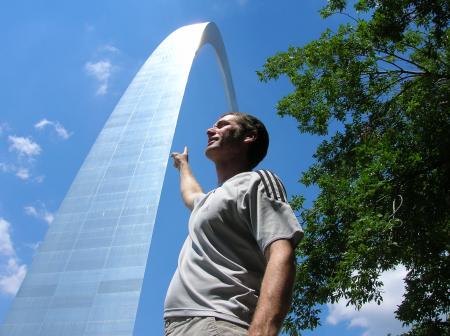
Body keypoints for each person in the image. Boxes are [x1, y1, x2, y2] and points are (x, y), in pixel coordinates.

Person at [164, 112, 303, 336]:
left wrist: (262, 331)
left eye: (222, 125)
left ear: (249, 136)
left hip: (217, 322)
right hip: (181, 326)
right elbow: (191, 194)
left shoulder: (256, 181)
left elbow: (282, 254)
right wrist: (183, 166)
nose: (210, 130)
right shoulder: (209, 200)